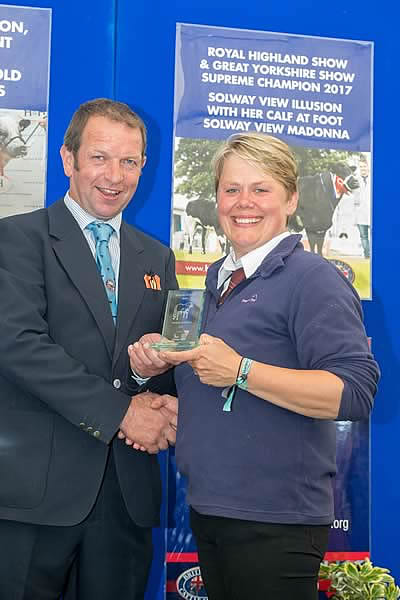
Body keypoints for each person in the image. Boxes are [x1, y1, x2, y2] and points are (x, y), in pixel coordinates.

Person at [129, 133, 380, 600]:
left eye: (260, 189)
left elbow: (354, 392)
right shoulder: (217, 280)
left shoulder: (314, 279)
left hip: (276, 520)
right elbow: (217, 387)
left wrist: (241, 370)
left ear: (291, 199)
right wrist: (155, 374)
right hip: (211, 510)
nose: (244, 202)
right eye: (231, 189)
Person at [0, 98, 178, 600]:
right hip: (34, 497)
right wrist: (123, 413)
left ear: (143, 166)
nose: (114, 176)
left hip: (126, 499)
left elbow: (159, 369)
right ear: (68, 159)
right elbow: (18, 346)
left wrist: (150, 376)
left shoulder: (157, 257)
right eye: (99, 157)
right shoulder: (16, 239)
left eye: (129, 161)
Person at [354, 154, 371, 259]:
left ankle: (375, 256)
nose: (363, 169)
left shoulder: (374, 178)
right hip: (360, 213)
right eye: (361, 167)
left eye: (364, 166)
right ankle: (367, 256)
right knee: (363, 237)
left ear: (368, 167)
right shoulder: (356, 180)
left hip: (372, 212)